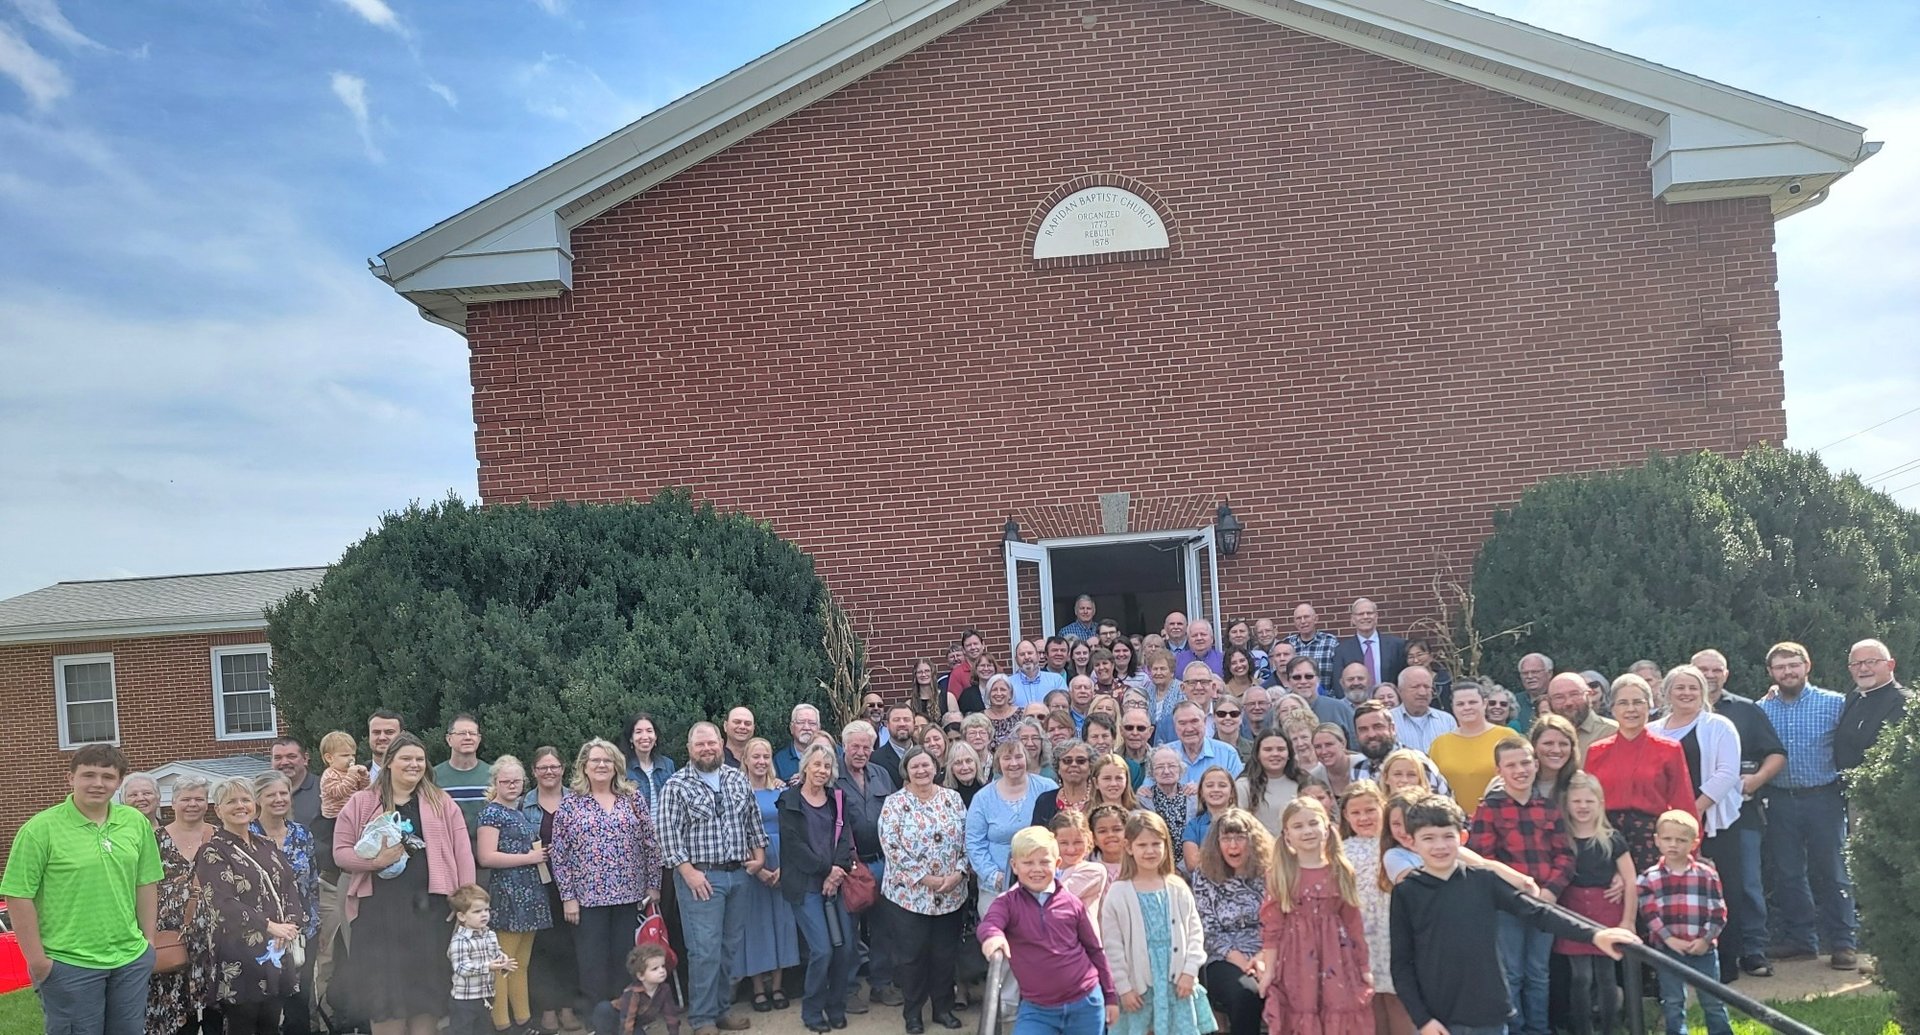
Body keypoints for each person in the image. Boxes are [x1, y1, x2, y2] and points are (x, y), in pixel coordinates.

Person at [1389, 796, 1638, 1035]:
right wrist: (1422, 1020)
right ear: (1411, 842)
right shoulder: (1406, 892)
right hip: (1438, 1019)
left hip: (1489, 1013)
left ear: (1463, 837)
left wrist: (1595, 934)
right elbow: (1401, 965)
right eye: (1428, 838)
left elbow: (1538, 912)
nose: (1440, 846)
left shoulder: (1483, 881)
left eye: (1447, 836)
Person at [2, 746, 159, 1035]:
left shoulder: (135, 823)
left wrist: (147, 943)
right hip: (67, 962)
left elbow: (146, 882)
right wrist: (38, 962)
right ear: (70, 778)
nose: (97, 784)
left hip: (129, 959)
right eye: (88, 775)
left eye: (107, 777)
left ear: (119, 782)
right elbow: (18, 895)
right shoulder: (39, 830)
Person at [333, 732, 477, 1035]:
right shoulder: (362, 802)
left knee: (425, 993)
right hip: (378, 915)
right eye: (406, 759)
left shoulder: (441, 801)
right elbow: (341, 853)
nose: (414, 765)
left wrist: (466, 902)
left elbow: (462, 852)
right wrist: (375, 862)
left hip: (430, 912)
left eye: (419, 759)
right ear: (389, 764)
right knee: (384, 994)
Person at [655, 722, 769, 1035]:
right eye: (700, 745)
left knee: (729, 948)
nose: (707, 749)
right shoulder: (677, 785)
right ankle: (702, 1019)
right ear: (689, 749)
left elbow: (753, 821)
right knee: (704, 950)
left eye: (711, 744)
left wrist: (759, 857)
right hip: (701, 878)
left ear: (721, 744)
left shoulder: (736, 779)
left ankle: (721, 1011)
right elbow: (665, 833)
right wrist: (687, 871)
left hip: (738, 876)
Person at [1754, 641, 1858, 971]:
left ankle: (1843, 943)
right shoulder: (1762, 709)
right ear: (1771, 673)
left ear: (1807, 666)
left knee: (1833, 870)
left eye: (1793, 665)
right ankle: (1802, 941)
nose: (1788, 672)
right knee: (1788, 873)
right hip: (1780, 800)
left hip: (1824, 797)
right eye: (1780, 667)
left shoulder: (1835, 704)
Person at [550, 738, 664, 1025]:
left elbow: (651, 843)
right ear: (584, 767)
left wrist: (654, 884)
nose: (601, 765)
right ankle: (596, 1024)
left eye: (607, 760)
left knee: (626, 964)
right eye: (595, 761)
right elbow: (560, 854)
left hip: (630, 896)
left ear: (617, 766)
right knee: (592, 966)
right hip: (587, 900)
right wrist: (568, 896)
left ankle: (627, 1021)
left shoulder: (633, 798)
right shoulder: (571, 802)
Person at [1466, 738, 1572, 1035]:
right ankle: (1515, 1029)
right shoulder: (1489, 809)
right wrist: (1513, 890)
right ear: (1499, 771)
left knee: (1538, 972)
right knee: (1511, 973)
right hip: (1506, 906)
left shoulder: (1549, 808)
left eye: (1525, 762)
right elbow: (1482, 859)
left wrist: (1551, 890)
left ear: (1536, 765)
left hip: (1544, 902)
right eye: (1510, 765)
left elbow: (1564, 854)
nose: (1520, 770)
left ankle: (1539, 1029)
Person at [1691, 647, 1786, 979]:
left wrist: (1757, 779)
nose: (1709, 674)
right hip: (1688, 817)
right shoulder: (1673, 714)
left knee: (1745, 883)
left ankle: (1753, 950)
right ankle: (1705, 952)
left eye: (1716, 669)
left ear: (1726, 674)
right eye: (1702, 669)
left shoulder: (1746, 711)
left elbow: (1776, 753)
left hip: (1740, 814)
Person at [189, 777, 305, 1035]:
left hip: (277, 949)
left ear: (254, 805)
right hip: (240, 954)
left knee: (271, 1025)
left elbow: (290, 886)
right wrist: (269, 926)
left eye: (245, 799)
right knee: (243, 1026)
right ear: (218, 810)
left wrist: (290, 926)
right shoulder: (213, 851)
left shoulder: (266, 845)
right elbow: (221, 902)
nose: (239, 806)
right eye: (231, 801)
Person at [978, 825, 1116, 1035]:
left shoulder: (1071, 902)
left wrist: (1110, 996)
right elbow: (990, 923)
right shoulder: (1007, 903)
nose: (1037, 869)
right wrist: (993, 937)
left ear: (1057, 863)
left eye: (1044, 862)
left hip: (1085, 1002)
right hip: (1038, 1009)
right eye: (1028, 863)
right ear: (1014, 866)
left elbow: (1095, 950)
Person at [1258, 798, 1370, 1035]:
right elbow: (1273, 928)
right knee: (1302, 1012)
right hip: (1296, 960)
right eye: (1298, 826)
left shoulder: (1341, 870)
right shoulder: (1281, 874)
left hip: (1337, 958)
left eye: (1313, 823)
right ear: (1287, 834)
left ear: (1327, 828)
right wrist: (1269, 970)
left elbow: (1353, 923)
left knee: (1336, 1012)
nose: (1307, 831)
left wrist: (1363, 966)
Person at [879, 746, 969, 1033]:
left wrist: (959, 872)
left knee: (944, 955)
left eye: (926, 765)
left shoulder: (952, 799)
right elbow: (891, 846)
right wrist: (924, 878)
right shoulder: (894, 803)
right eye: (915, 766)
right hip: (909, 896)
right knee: (912, 957)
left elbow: (969, 838)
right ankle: (913, 1013)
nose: (921, 771)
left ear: (935, 767)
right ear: (907, 770)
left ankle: (942, 1009)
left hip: (951, 893)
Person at [1100, 811, 1214, 1035]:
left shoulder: (1177, 887)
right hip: (1138, 984)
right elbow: (1113, 946)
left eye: (1156, 844)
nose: (1150, 851)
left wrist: (1190, 972)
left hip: (1177, 981)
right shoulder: (1118, 893)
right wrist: (1123, 987)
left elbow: (1194, 932)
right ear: (1129, 847)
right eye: (1142, 845)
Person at [778, 743, 859, 1033]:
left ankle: (835, 1008)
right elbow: (794, 847)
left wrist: (835, 873)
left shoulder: (837, 798)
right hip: (805, 886)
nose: (822, 771)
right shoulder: (788, 800)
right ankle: (812, 1012)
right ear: (805, 768)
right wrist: (827, 871)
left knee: (845, 948)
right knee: (822, 950)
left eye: (827, 766)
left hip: (835, 883)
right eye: (816, 765)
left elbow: (844, 837)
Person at [475, 755, 552, 1033]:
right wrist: (530, 857)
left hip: (528, 893)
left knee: (520, 963)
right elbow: (486, 857)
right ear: (495, 782)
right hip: (507, 894)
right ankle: (502, 1024)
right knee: (503, 964)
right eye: (505, 781)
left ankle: (523, 1020)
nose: (511, 785)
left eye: (516, 781)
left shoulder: (518, 811)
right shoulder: (491, 813)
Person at [1585, 676, 1694, 872]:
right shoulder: (1596, 751)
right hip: (1607, 839)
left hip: (1652, 840)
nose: (1631, 709)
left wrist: (1691, 846)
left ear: (1649, 706)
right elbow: (1587, 801)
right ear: (1613, 708)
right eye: (1623, 703)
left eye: (1638, 702)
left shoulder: (1669, 749)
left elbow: (1682, 800)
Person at [1638, 811, 1732, 1035]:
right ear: (1657, 840)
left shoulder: (1707, 875)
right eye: (1668, 839)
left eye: (1681, 840)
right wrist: (1669, 940)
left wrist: (1705, 940)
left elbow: (1719, 911)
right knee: (1672, 1001)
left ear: (1694, 843)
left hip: (1704, 950)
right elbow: (1649, 914)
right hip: (1668, 949)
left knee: (1713, 1001)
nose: (1674, 845)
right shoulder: (1648, 878)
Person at [1556, 773, 1635, 1035]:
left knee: (1606, 976)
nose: (1582, 806)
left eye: (1589, 800)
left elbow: (1630, 880)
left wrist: (1628, 921)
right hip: (1573, 911)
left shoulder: (1612, 838)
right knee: (1580, 977)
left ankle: (1610, 1028)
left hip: (1607, 912)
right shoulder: (1561, 838)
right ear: (1567, 804)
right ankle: (1582, 1029)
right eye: (1576, 801)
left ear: (1600, 803)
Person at [1190, 809, 1270, 1035]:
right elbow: (1209, 930)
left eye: (1240, 837)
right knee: (1246, 992)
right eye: (1226, 838)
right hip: (1224, 956)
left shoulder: (1270, 872)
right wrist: (1247, 964)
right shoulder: (1204, 875)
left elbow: (1279, 923)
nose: (1233, 845)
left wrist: (1262, 958)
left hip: (1269, 951)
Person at [252, 769, 320, 1035]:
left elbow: (312, 882)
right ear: (258, 798)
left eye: (283, 793)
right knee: (263, 1001)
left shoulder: (302, 834)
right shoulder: (247, 835)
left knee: (299, 998)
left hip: (302, 931)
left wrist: (315, 924)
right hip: (260, 931)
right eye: (271, 794)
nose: (279, 799)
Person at [733, 738, 799, 1013]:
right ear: (745, 760)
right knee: (755, 925)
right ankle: (759, 989)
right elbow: (735, 832)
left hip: (782, 859)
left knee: (782, 923)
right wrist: (757, 868)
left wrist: (785, 865)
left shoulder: (781, 789)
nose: (761, 762)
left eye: (766, 756)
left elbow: (793, 830)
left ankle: (778, 986)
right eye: (756, 756)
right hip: (751, 863)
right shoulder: (736, 791)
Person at [1337, 781, 1408, 1035]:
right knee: (1370, 1002)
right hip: (1360, 936)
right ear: (1346, 816)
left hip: (1396, 933)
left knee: (1400, 1000)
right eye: (1356, 813)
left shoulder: (1397, 845)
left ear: (1383, 808)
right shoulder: (1341, 850)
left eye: (1370, 810)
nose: (1364, 817)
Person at [525, 746, 583, 1034]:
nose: (549, 771)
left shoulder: (578, 800)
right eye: (542, 767)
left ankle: (568, 1007)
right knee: (543, 949)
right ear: (533, 771)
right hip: (537, 885)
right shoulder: (523, 804)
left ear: (563, 769)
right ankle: (547, 1009)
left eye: (554, 766)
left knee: (570, 946)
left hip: (574, 885)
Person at [965, 739, 1056, 905]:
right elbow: (974, 842)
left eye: (1018, 757)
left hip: (1041, 883)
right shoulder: (983, 798)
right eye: (1007, 758)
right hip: (996, 888)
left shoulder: (1047, 788)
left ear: (1026, 759)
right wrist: (993, 876)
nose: (1013, 763)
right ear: (999, 762)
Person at [446, 884, 516, 1035]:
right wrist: (489, 967)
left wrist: (503, 961)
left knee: (484, 1030)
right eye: (477, 911)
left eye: (486, 910)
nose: (484, 914)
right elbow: (461, 968)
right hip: (464, 1000)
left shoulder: (490, 934)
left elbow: (495, 954)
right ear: (462, 916)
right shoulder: (460, 940)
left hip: (486, 996)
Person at [1426, 684, 1505, 813]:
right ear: (1453, 708)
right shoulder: (1440, 744)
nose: (1467, 707)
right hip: (1453, 823)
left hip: (1499, 817)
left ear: (1484, 704)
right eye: (1460, 704)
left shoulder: (1506, 737)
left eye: (1472, 702)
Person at [1838, 638, 1908, 773]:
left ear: (1890, 665)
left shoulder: (1904, 703)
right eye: (1856, 664)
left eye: (1871, 662)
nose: (1863, 668)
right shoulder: (1851, 699)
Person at [1350, 703, 1449, 796]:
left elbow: (1446, 808)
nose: (1371, 734)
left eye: (1378, 727)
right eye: (1363, 729)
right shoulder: (1358, 770)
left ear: (1392, 729)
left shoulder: (1418, 763)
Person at [599, 944, 682, 1035]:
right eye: (655, 969)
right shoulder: (633, 992)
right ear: (641, 976)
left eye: (663, 966)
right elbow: (627, 1021)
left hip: (634, 1023)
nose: (661, 971)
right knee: (605, 1009)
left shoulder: (664, 989)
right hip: (615, 1017)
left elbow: (671, 1017)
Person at [436, 715, 493, 845]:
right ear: (449, 739)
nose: (468, 737)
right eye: (461, 733)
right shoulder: (433, 776)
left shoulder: (493, 775)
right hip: (448, 850)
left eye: (472, 733)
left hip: (487, 852)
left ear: (479, 739)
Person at [1236, 730, 1303, 837]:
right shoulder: (1243, 786)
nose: (1275, 754)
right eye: (1268, 750)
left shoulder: (1302, 783)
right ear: (1257, 754)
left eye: (1281, 749)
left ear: (1289, 754)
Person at [1331, 599, 1407, 687]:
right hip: (1357, 700)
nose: (1365, 617)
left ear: (1376, 616)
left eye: (1369, 613)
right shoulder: (1342, 651)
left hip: (1388, 699)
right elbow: (1338, 684)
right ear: (1353, 619)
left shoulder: (1397, 645)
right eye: (1360, 614)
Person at [1180, 767, 1238, 874]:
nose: (1216, 789)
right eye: (1210, 785)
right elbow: (1192, 864)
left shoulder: (1244, 823)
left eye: (1222, 785)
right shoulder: (1193, 826)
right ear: (1201, 793)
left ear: (1232, 792)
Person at [1387, 667, 1455, 754]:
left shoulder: (1447, 721)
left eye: (1427, 687)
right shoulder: (1387, 721)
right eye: (1415, 687)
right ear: (1400, 691)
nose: (1422, 692)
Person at [1546, 674, 1618, 750]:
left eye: (1574, 694)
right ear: (1549, 701)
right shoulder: (1543, 736)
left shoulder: (1613, 732)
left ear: (1589, 695)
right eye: (1559, 697)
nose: (1568, 702)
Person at [1033, 739, 1097, 823]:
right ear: (1058, 768)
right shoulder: (1044, 801)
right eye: (1067, 761)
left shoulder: (1099, 798)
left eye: (1081, 761)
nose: (1074, 764)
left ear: (1090, 767)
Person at [1528, 714, 1582, 806]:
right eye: (1548, 743)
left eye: (1563, 744)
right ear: (1534, 745)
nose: (1556, 750)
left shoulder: (1580, 784)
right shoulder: (1517, 781)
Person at [1286, 604, 1342, 691]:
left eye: (1306, 617)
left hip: (1326, 700)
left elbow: (1338, 674)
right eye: (1298, 618)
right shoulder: (1288, 644)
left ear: (1316, 619)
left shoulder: (1330, 642)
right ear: (1294, 622)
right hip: (1296, 701)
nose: (1303, 621)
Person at [1137, 747, 1191, 837]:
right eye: (1160, 767)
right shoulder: (1143, 800)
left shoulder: (1193, 797)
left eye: (1172, 766)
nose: (1166, 771)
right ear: (1152, 771)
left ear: (1180, 769)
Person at [626, 713, 677, 806]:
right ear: (631, 738)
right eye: (638, 732)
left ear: (655, 736)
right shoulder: (622, 768)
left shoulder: (668, 765)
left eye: (649, 731)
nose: (645, 737)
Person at [271, 737, 322, 826]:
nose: (284, 762)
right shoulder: (262, 793)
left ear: (305, 759)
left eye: (291, 756)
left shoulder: (324, 788)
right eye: (278, 758)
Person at [775, 704, 825, 782]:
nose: (806, 728)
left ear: (819, 728)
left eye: (812, 723)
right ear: (791, 728)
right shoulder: (779, 760)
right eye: (801, 722)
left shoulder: (835, 753)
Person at [1314, 725, 1359, 798]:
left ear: (1343, 744)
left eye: (1329, 745)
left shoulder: (1363, 765)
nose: (1324, 751)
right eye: (1318, 747)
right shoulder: (1316, 776)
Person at [367, 709, 405, 783]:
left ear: (402, 735)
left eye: (389, 732)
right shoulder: (351, 776)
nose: (382, 737)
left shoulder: (421, 776)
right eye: (376, 732)